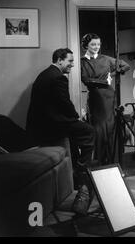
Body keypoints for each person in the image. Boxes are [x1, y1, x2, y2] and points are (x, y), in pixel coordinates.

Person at [26, 48, 95, 215]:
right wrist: (76, 117)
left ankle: (79, 174)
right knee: (89, 131)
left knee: (74, 136)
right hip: (51, 125)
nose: (72, 65)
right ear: (59, 60)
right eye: (70, 61)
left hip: (42, 124)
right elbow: (64, 103)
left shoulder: (44, 74)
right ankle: (81, 171)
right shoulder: (58, 77)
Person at [80, 33, 130, 165]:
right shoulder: (82, 62)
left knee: (111, 130)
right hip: (95, 99)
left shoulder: (106, 59)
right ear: (86, 45)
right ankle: (101, 164)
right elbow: (86, 80)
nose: (96, 47)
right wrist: (103, 81)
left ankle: (114, 164)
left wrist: (112, 74)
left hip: (109, 97)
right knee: (98, 131)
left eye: (98, 44)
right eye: (93, 44)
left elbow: (125, 66)